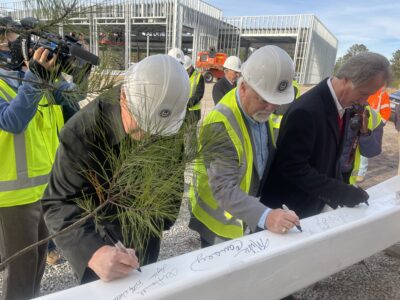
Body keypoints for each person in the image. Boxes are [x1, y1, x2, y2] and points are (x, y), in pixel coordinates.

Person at [42, 54, 190, 283]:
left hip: (147, 234)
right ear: (123, 97)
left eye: (158, 131)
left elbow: (173, 175)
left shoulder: (168, 119)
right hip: (101, 246)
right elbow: (58, 202)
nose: (150, 135)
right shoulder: (84, 131)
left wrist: (159, 220)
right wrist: (93, 251)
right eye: (142, 124)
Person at [189, 45, 300, 248]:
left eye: (275, 102)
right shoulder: (220, 123)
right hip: (220, 223)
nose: (271, 108)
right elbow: (223, 188)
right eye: (264, 100)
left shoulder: (257, 110)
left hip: (247, 212)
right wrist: (266, 216)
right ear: (242, 87)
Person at [260, 52, 391, 218]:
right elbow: (292, 167)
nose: (365, 101)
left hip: (312, 206)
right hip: (287, 212)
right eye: (364, 93)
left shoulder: (346, 108)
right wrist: (340, 192)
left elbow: (330, 159)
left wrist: (344, 189)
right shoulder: (306, 111)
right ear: (347, 79)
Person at [0, 17, 75, 300]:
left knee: (38, 263)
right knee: (20, 269)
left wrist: (60, 73)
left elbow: (71, 105)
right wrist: (36, 77)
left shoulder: (27, 75)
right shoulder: (24, 79)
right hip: (11, 196)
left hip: (44, 188)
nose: (11, 44)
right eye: (7, 38)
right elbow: (13, 121)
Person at [340, 105, 383, 185]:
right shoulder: (330, 106)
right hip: (322, 175)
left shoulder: (373, 116)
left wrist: (365, 133)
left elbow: (371, 152)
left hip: (348, 178)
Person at [357, 87, 391, 182]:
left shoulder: (382, 94)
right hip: (360, 122)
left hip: (372, 125)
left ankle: (361, 173)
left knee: (364, 152)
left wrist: (379, 125)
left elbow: (386, 111)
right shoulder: (363, 90)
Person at [183, 55, 205, 124]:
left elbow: (199, 94)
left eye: (187, 69)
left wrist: (187, 104)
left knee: (191, 134)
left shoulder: (198, 76)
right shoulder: (182, 75)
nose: (186, 71)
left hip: (194, 112)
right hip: (182, 111)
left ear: (191, 66)